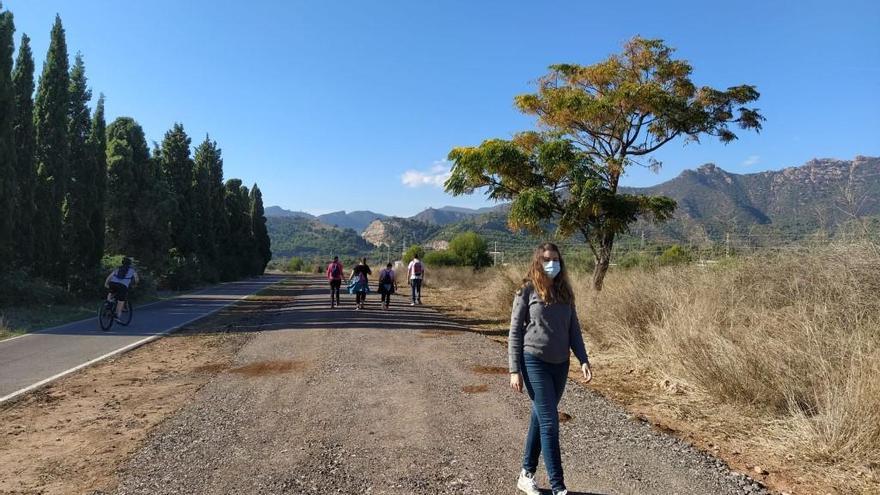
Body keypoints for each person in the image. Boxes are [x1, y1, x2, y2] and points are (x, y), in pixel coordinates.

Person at [508, 242, 592, 495]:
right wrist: (515, 369)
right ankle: (558, 487)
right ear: (538, 261)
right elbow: (514, 332)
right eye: (546, 259)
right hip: (533, 360)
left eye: (555, 259)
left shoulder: (565, 292)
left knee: (539, 417)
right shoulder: (526, 291)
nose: (551, 263)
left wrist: (583, 358)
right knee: (549, 422)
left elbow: (573, 329)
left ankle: (526, 474)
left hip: (560, 365)